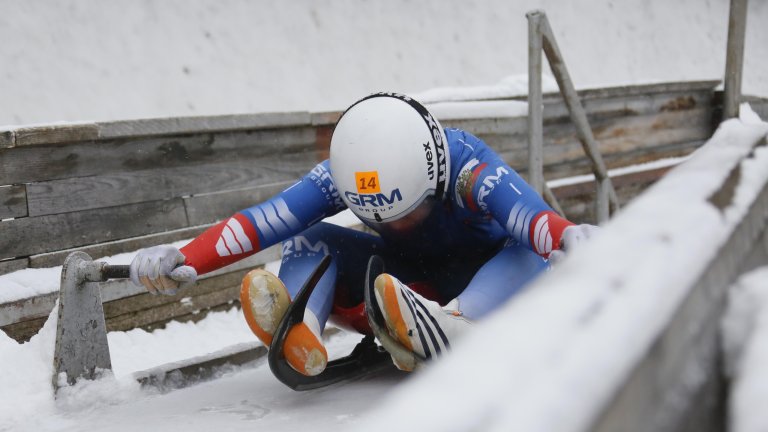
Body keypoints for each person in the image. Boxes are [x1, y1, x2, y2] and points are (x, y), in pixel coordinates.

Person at [130, 92, 597, 376]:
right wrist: (184, 256)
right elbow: (266, 220)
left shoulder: (467, 168)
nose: (394, 226)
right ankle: (300, 332)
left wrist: (568, 239)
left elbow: (532, 220)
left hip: (494, 277)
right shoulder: (343, 173)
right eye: (381, 218)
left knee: (529, 251)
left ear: (433, 181)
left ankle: (458, 323)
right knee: (310, 239)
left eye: (408, 213)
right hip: (407, 287)